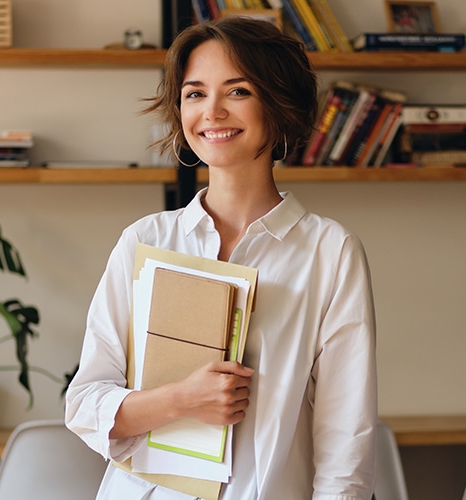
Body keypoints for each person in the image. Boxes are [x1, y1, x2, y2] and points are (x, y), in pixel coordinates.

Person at [64, 16, 378, 500]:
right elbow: (86, 405)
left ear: (279, 105)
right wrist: (182, 399)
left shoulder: (329, 251)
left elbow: (346, 441)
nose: (212, 112)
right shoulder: (145, 240)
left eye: (237, 91)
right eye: (194, 93)